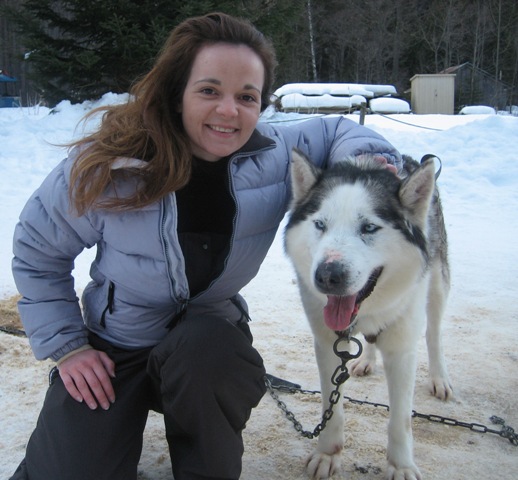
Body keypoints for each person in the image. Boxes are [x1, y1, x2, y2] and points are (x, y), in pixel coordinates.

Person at [10, 12, 402, 480]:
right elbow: (37, 250)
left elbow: (340, 131)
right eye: (209, 90)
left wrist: (368, 166)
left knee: (209, 350)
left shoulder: (274, 153)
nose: (228, 111)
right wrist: (69, 346)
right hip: (117, 344)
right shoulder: (112, 164)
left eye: (247, 97)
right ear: (178, 92)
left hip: (206, 348)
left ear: (262, 105)